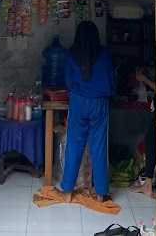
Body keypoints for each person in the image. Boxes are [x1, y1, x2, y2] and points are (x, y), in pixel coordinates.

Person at [60, 21, 114, 201]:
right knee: (98, 148)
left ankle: (67, 191)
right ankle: (100, 193)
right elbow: (111, 81)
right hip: (99, 103)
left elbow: (67, 82)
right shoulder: (104, 54)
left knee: (74, 146)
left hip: (78, 102)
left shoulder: (70, 54)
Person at [131, 66, 156, 199]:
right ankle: (147, 184)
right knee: (150, 143)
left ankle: (147, 186)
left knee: (151, 143)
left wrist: (144, 79)